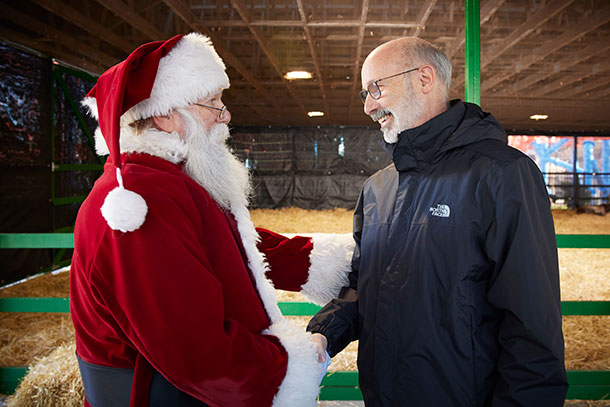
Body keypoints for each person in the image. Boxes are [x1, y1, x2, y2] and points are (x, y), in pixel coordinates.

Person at [70, 32, 353, 407]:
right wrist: (287, 367)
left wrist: (330, 261)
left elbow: (234, 247)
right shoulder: (139, 201)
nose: (227, 115)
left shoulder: (172, 181)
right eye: (214, 103)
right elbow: (195, 349)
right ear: (166, 114)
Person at [307, 37, 568, 406]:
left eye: (375, 88)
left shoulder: (501, 173)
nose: (368, 106)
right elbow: (366, 286)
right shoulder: (378, 188)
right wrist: (324, 333)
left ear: (424, 78)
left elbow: (531, 321)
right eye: (363, 94)